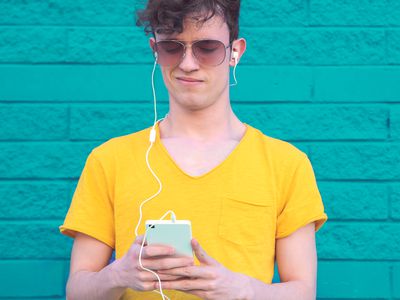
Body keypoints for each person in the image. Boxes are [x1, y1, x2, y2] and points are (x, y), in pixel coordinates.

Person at [60, 1, 328, 299]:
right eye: (172, 48)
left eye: (207, 48)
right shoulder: (109, 160)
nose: (187, 63)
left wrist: (243, 290)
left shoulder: (286, 164)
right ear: (155, 51)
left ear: (235, 51)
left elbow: (303, 292)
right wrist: (117, 275)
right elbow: (77, 292)